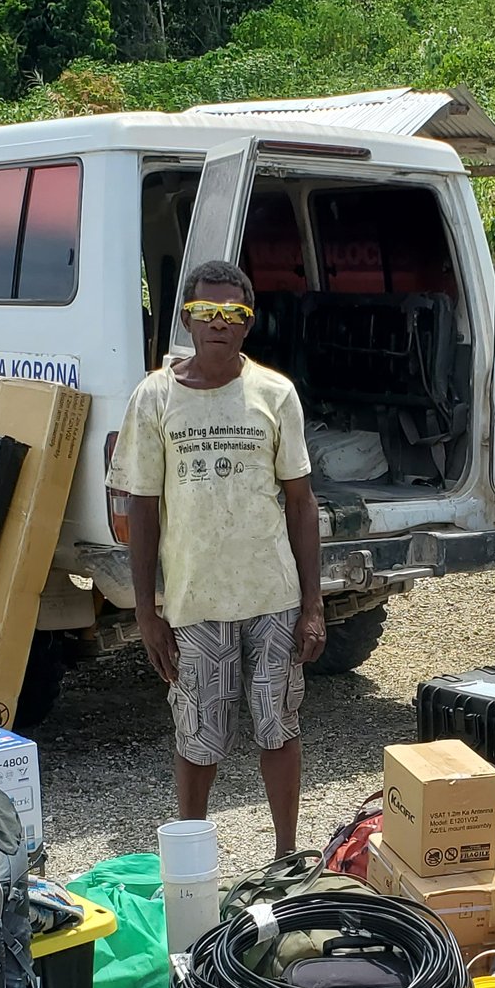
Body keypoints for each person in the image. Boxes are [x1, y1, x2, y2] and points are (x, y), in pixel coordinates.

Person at [116, 260, 325, 853]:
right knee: (198, 734)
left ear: (247, 323)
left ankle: (286, 853)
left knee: (278, 727)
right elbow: (144, 507)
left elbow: (301, 505)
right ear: (187, 317)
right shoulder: (154, 398)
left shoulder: (274, 394)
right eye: (206, 312)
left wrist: (312, 605)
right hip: (195, 602)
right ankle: (192, 858)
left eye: (232, 314)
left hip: (273, 598)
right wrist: (146, 612)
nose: (218, 324)